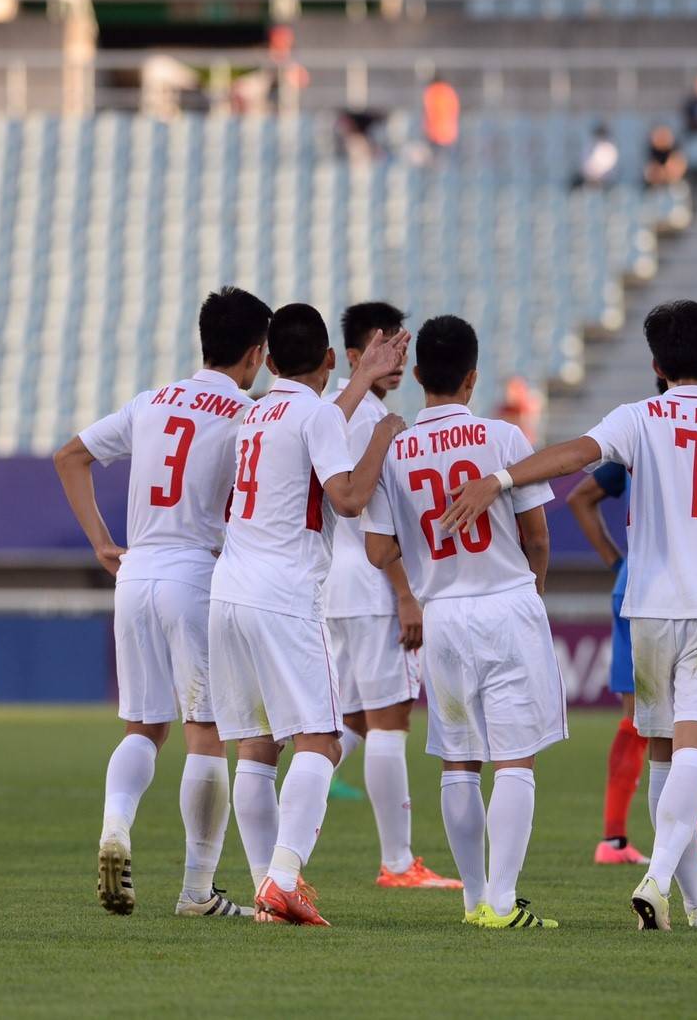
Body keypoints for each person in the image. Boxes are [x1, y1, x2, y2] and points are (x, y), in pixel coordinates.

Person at [440, 299, 697, 931]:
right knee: (695, 750)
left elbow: (573, 457)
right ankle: (655, 878)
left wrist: (501, 480)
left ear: (655, 362)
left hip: (647, 608)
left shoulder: (639, 417)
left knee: (661, 750)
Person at [53, 286, 275, 920]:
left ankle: (116, 827)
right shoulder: (246, 414)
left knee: (144, 727)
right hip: (195, 574)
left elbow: (69, 457)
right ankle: (197, 891)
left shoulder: (152, 402)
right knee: (206, 731)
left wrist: (101, 542)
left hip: (136, 574)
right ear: (257, 352)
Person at [208, 303, 409, 926]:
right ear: (328, 358)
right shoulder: (318, 415)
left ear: (268, 362)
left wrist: (355, 385)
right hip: (284, 594)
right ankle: (285, 877)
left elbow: (314, 422)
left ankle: (267, 888)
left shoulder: (256, 412)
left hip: (229, 591)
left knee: (256, 746)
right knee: (321, 739)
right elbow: (347, 499)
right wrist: (381, 434)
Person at [362, 314, 565, 929]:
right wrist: (531, 594)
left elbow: (375, 552)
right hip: (507, 601)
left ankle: (473, 898)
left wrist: (423, 554)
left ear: (418, 374)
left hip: (443, 613)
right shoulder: (503, 439)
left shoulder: (393, 448)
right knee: (515, 759)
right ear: (473, 377)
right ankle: (501, 904)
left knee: (458, 760)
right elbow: (537, 537)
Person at [570, 377, 697, 869]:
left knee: (651, 724)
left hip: (643, 592)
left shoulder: (643, 431)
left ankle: (620, 841)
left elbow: (578, 496)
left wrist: (620, 565)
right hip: (695, 596)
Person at [324, 302, 461, 891]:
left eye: (401, 351)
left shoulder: (334, 414)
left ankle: (285, 826)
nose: (396, 360)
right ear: (355, 356)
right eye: (383, 348)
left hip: (333, 586)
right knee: (389, 722)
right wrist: (407, 595)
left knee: (347, 723)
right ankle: (399, 863)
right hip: (375, 586)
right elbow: (378, 523)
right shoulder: (376, 420)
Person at [574, 124, 619, 189]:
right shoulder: (589, 146)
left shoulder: (610, 148)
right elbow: (584, 164)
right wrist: (591, 175)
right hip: (588, 178)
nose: (599, 137)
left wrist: (598, 176)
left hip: (605, 180)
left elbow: (612, 169)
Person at [423, 75, 459, 153]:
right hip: (450, 133)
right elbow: (455, 108)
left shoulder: (432, 91)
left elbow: (430, 112)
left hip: (435, 134)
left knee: (437, 158)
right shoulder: (448, 90)